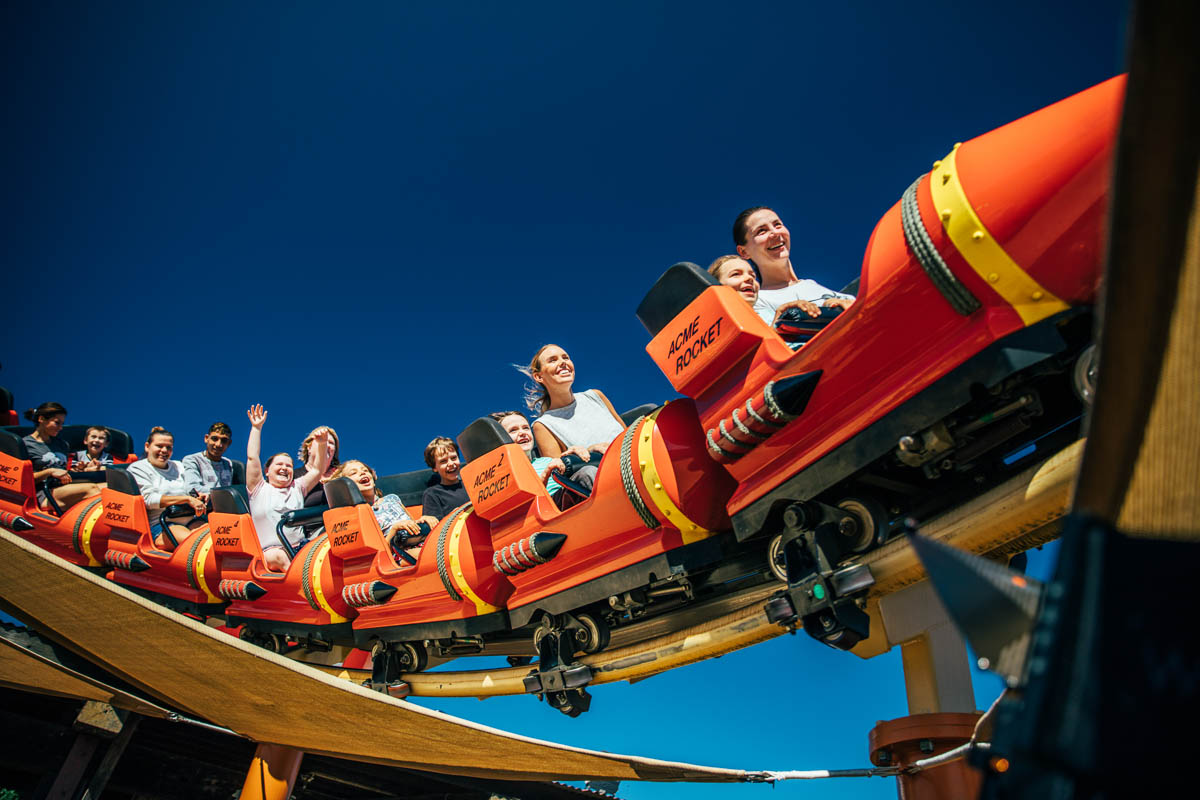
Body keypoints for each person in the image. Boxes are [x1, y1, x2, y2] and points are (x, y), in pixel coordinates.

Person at [732, 206, 855, 324]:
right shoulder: (758, 300)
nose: (775, 233)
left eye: (777, 225)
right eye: (761, 231)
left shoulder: (811, 284)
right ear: (744, 251)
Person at [244, 405, 329, 571]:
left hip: (300, 547)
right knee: (278, 556)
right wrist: (256, 428)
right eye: (280, 464)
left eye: (289, 466)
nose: (285, 468)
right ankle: (300, 588)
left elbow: (318, 470)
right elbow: (252, 457)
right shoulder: (258, 488)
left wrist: (322, 443)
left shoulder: (297, 487)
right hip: (270, 552)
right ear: (267, 471)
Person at [326, 460, 427, 557]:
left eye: (365, 470)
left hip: (419, 541)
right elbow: (380, 554)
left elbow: (413, 523)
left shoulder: (392, 498)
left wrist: (424, 520)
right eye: (353, 473)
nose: (362, 473)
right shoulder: (358, 515)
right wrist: (395, 529)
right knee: (426, 555)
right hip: (398, 553)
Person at [127, 427, 207, 546]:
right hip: (161, 524)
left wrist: (198, 496)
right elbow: (149, 500)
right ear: (147, 446)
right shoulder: (137, 468)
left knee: (213, 537)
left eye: (168, 447)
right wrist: (187, 499)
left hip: (190, 518)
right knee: (194, 542)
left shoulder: (178, 466)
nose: (164, 450)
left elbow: (190, 489)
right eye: (159, 446)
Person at [22, 402, 105, 510]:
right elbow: (22, 479)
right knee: (91, 489)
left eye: (62, 424)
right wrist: (49, 472)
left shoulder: (62, 444)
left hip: (63, 487)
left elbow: (63, 472)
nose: (61, 428)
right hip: (42, 493)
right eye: (57, 423)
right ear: (41, 419)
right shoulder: (26, 444)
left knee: (106, 486)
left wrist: (81, 470)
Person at [491, 411, 578, 507]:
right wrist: (545, 476)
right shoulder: (505, 476)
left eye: (526, 428)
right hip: (544, 508)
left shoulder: (547, 461)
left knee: (586, 472)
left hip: (568, 496)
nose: (522, 433)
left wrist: (577, 456)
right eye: (513, 430)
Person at [420, 438, 469, 522]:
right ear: (435, 467)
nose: (450, 464)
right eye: (443, 461)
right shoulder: (432, 494)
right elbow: (435, 527)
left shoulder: (471, 485)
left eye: (453, 458)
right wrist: (452, 517)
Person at [182, 421, 234, 494]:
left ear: (229, 443)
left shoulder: (227, 464)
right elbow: (192, 489)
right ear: (206, 438)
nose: (219, 444)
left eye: (224, 441)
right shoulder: (192, 460)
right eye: (215, 439)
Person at [296, 425, 341, 507]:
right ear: (309, 447)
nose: (326, 445)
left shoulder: (342, 475)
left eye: (331, 443)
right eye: (321, 440)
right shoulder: (294, 477)